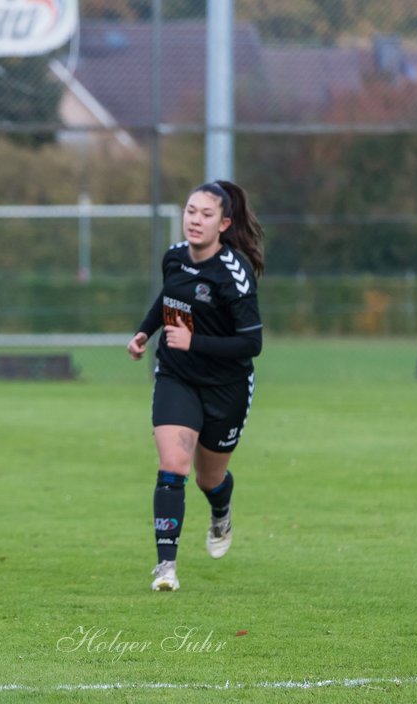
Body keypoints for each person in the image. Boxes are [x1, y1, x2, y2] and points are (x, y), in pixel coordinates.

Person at [126, 180, 264, 592]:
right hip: (176, 375)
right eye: (190, 211)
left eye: (206, 215)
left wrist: (195, 341)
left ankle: (221, 509)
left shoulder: (234, 275)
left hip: (226, 386)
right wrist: (145, 333)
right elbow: (168, 299)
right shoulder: (173, 257)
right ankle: (165, 567)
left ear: (224, 223)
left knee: (209, 479)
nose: (195, 220)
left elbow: (251, 343)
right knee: (173, 467)